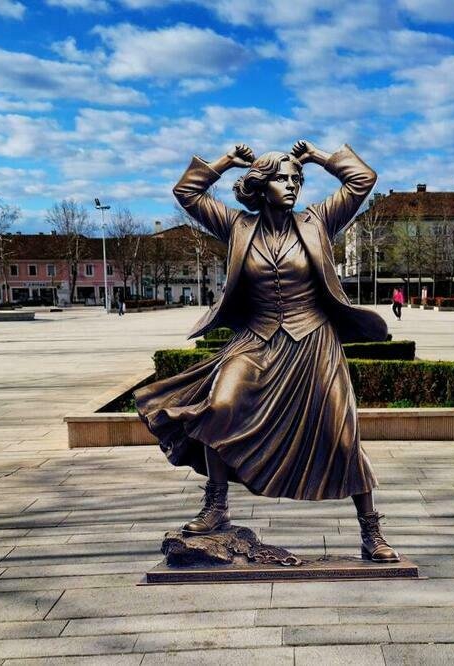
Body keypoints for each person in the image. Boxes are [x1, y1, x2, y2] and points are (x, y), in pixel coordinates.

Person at [135, 140, 399, 563]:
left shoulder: (318, 221)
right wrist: (226, 161)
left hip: (313, 342)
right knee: (219, 407)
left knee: (343, 435)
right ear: (259, 185)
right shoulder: (237, 226)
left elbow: (362, 179)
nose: (292, 185)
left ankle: (371, 532)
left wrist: (319, 157)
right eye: (281, 178)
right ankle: (216, 505)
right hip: (255, 339)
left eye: (296, 179)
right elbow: (187, 192)